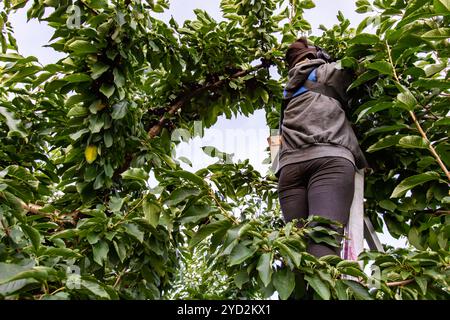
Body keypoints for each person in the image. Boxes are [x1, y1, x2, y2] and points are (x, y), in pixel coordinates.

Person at [272, 38, 369, 258]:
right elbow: (365, 66)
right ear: (315, 55)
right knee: (322, 251)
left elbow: (277, 138)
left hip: (289, 172)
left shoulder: (287, 92)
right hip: (329, 161)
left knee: (296, 253)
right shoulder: (326, 71)